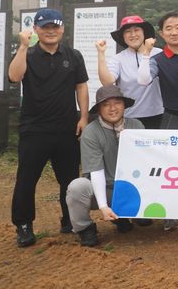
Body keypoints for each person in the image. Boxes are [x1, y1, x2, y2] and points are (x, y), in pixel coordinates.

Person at [8, 8, 89, 247]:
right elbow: (14, 76)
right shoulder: (28, 54)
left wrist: (83, 117)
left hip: (66, 129)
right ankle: (23, 225)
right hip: (34, 129)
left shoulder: (73, 55)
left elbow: (81, 86)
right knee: (26, 179)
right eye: (45, 27)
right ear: (36, 30)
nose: (51, 31)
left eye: (55, 27)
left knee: (70, 180)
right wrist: (22, 46)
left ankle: (70, 220)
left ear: (62, 28)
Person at [137, 11, 178, 231]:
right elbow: (143, 80)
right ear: (162, 34)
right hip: (173, 118)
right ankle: (170, 213)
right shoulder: (158, 60)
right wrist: (145, 53)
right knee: (172, 168)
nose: (174, 31)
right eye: (168, 28)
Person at [65, 85, 145, 246]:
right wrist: (102, 206)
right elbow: (96, 172)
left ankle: (124, 216)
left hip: (132, 189)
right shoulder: (91, 132)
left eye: (117, 103)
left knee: (146, 221)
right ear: (99, 109)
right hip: (105, 189)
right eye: (106, 104)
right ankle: (85, 228)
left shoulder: (137, 126)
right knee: (77, 187)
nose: (112, 108)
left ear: (124, 105)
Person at [96, 15, 164, 129]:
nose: (133, 35)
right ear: (123, 36)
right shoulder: (118, 59)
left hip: (159, 115)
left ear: (144, 33)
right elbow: (107, 82)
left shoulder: (159, 54)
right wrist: (101, 54)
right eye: (128, 31)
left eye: (137, 30)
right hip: (129, 118)